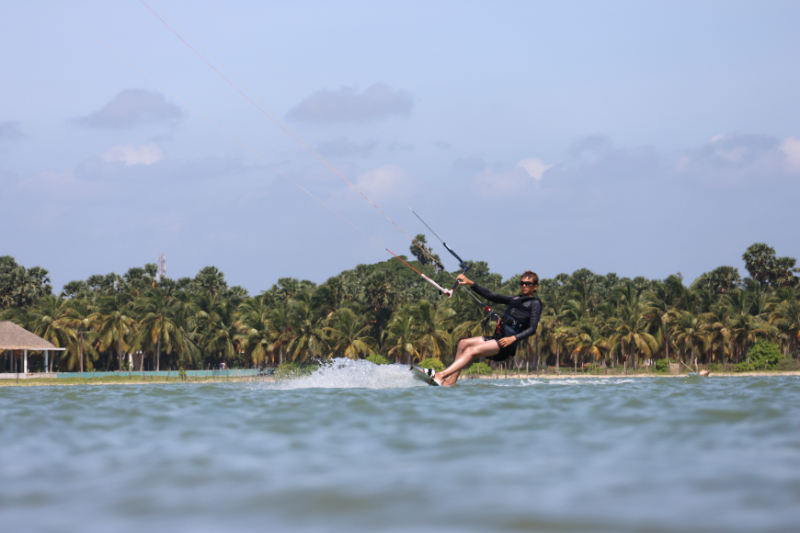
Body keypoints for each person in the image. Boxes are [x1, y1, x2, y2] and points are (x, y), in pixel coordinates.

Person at [433, 271, 542, 386]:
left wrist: (513, 339)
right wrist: (471, 283)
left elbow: (532, 328)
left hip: (506, 344)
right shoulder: (515, 299)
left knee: (470, 351)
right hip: (498, 337)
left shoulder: (535, 303)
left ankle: (441, 375)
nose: (524, 286)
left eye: (528, 283)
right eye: (522, 283)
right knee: (463, 343)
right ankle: (450, 382)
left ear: (535, 287)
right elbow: (492, 295)